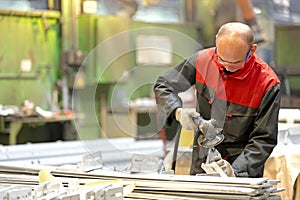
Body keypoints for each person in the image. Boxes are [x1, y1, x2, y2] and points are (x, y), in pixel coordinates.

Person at [153, 22, 281, 177]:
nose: (227, 67)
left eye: (235, 64)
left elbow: (263, 139)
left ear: (252, 50)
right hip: (202, 162)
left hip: (241, 169)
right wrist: (177, 111)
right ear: (216, 43)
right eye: (222, 60)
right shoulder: (203, 60)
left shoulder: (267, 83)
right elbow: (163, 85)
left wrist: (236, 170)